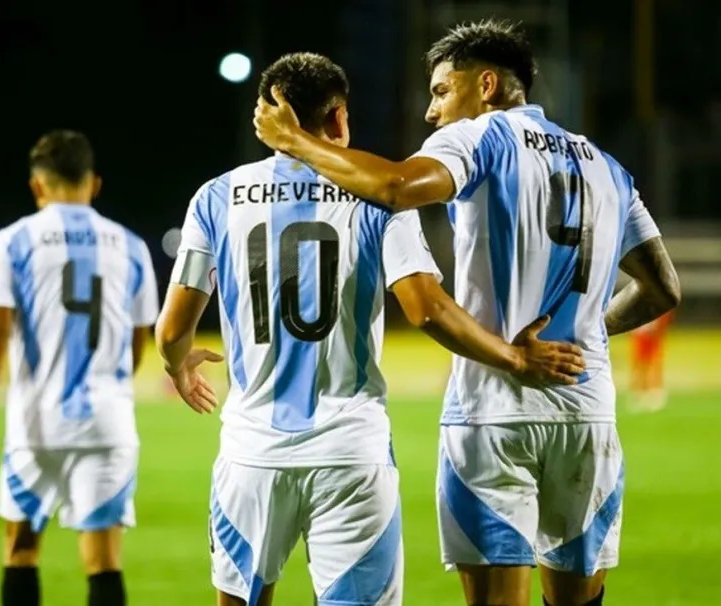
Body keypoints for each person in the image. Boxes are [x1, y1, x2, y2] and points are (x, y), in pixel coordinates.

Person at [252, 22, 681, 606]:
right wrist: (583, 335)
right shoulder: (607, 167)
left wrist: (299, 142)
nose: (431, 113)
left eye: (440, 91)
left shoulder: (480, 138)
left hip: (492, 413)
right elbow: (662, 289)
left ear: (484, 85)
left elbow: (396, 188)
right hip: (586, 411)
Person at [157, 52, 584, 606]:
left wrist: (178, 366)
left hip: (251, 454)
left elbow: (172, 331)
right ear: (338, 119)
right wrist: (514, 358)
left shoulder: (217, 197)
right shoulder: (379, 195)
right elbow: (425, 307)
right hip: (351, 453)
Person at [0, 130, 159, 606]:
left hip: (35, 424)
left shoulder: (13, 242)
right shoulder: (130, 245)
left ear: (37, 186)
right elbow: (137, 345)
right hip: (107, 422)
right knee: (103, 563)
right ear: (94, 184)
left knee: (20, 553)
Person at [628, 310, 673, 411]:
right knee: (639, 365)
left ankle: (654, 392)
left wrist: (657, 329)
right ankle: (639, 393)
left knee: (653, 363)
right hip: (641, 334)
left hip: (651, 334)